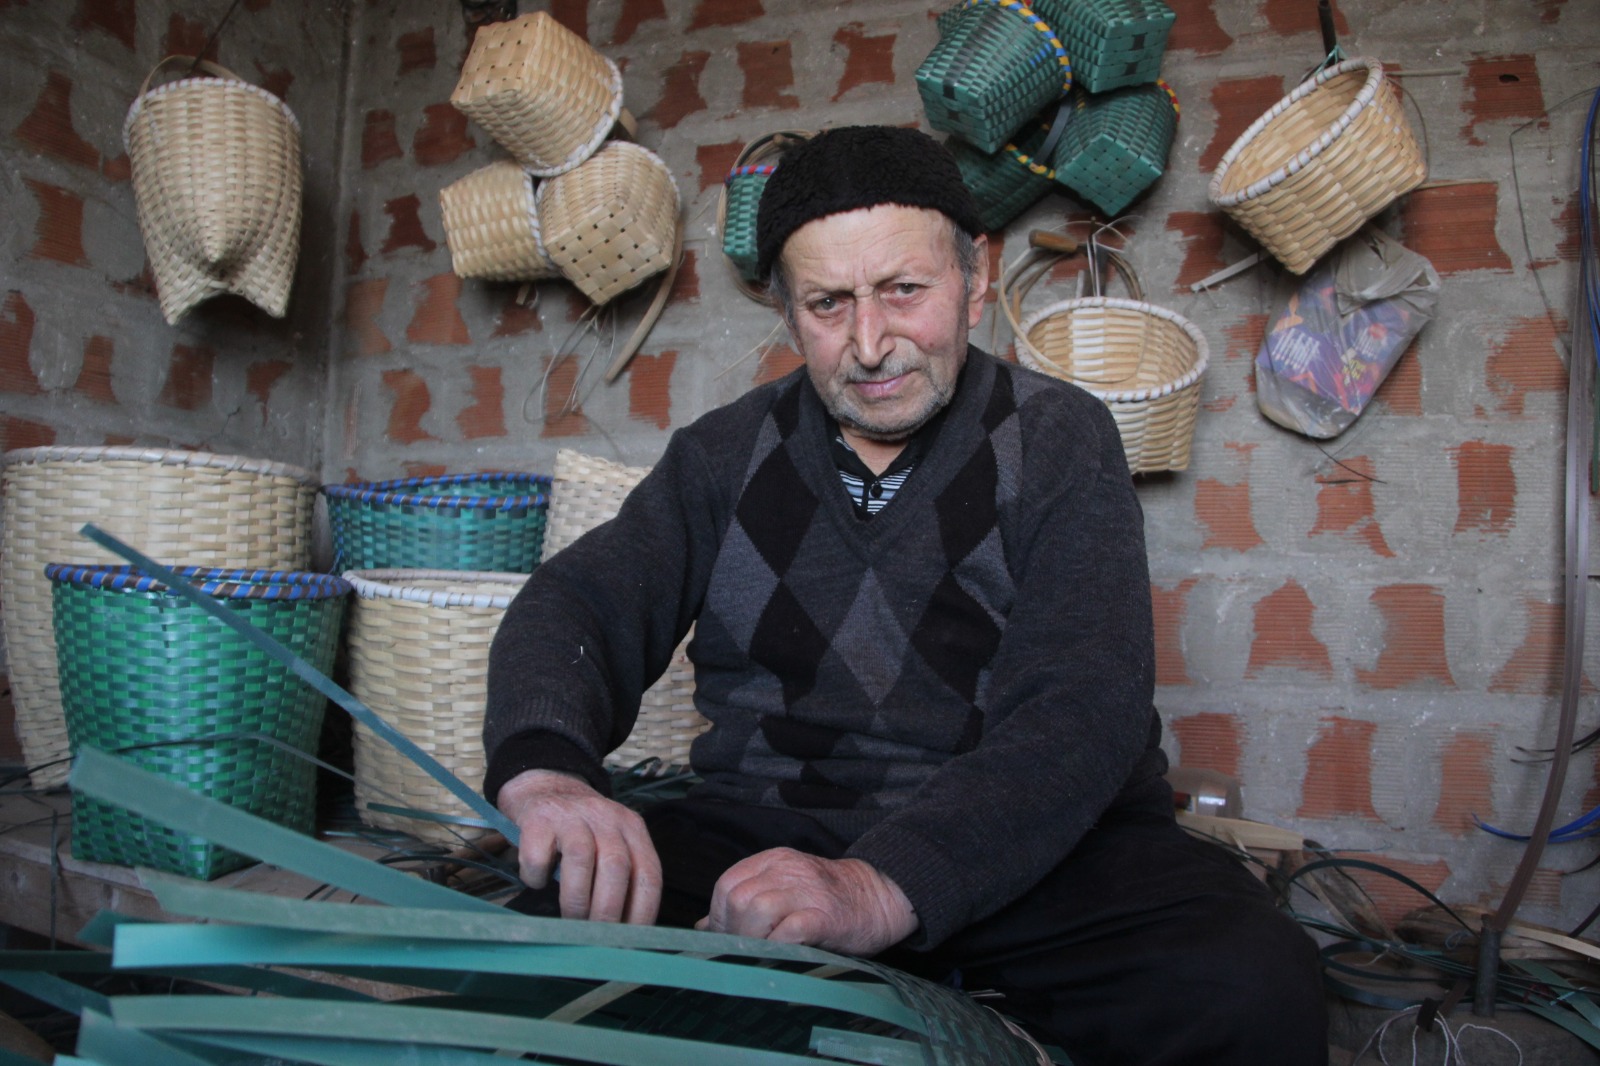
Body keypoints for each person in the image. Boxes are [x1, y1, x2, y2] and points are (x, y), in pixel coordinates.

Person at [483, 125, 1328, 1064]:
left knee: (1251, 988)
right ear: (787, 312)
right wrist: (548, 773)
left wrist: (880, 886)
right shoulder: (723, 455)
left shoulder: (1061, 439)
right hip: (773, 837)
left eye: (904, 291)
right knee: (534, 958)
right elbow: (579, 604)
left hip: (1037, 855)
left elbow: (1082, 710)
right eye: (828, 303)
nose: (871, 343)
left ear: (976, 280)